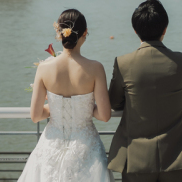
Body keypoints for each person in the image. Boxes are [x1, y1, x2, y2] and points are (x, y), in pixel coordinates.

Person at [108, 0, 182, 182]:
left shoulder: (123, 63)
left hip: (135, 157)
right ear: (165, 28)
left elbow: (115, 103)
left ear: (135, 30)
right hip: (176, 156)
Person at [18, 9, 114, 182]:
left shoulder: (44, 68)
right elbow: (105, 115)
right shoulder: (95, 68)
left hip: (50, 147)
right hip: (86, 149)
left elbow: (36, 115)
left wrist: (54, 106)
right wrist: (85, 107)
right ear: (84, 33)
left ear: (58, 33)